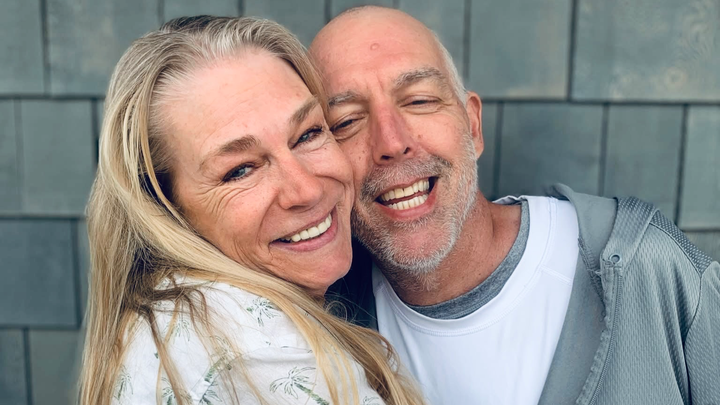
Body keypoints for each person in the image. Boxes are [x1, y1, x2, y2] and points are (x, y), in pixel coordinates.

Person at [310, 6, 720, 405]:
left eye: (419, 100)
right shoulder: (322, 329)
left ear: (473, 127)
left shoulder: (648, 270)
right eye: (346, 122)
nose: (392, 142)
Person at [78, 16, 427, 405]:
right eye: (240, 170)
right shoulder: (261, 356)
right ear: (165, 207)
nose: (307, 190)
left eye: (308, 134)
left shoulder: (174, 314)